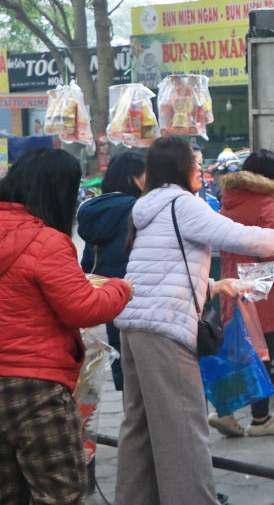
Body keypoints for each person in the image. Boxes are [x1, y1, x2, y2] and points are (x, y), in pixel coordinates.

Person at [113, 136, 274, 504]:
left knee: (138, 427)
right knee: (184, 428)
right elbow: (242, 238)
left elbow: (161, 270)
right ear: (178, 168)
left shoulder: (148, 205)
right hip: (166, 328)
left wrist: (214, 284)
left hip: (135, 325)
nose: (201, 168)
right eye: (195, 162)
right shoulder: (182, 203)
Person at [0, 148, 133, 503]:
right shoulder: (47, 241)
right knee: (60, 493)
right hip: (35, 387)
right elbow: (83, 308)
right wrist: (121, 287)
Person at [207, 149, 274, 438]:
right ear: (271, 177)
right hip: (257, 284)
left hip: (230, 282)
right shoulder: (264, 201)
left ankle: (225, 413)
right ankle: (261, 419)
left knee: (235, 349)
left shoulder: (230, 198)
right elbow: (269, 246)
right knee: (262, 351)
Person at [77, 150, 146, 392]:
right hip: (140, 298)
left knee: (126, 373)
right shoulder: (138, 210)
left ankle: (131, 423)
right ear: (134, 178)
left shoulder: (96, 211)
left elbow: (87, 262)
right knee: (144, 378)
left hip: (111, 301)